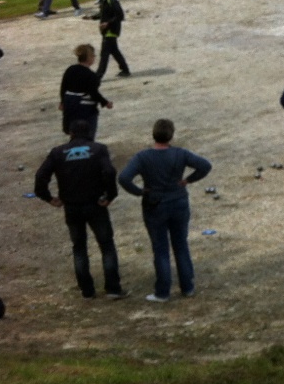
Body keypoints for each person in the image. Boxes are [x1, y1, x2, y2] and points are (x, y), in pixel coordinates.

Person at [119, 119, 212, 303]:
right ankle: (188, 287)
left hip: (155, 204)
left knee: (160, 248)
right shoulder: (180, 153)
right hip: (178, 201)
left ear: (153, 134)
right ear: (171, 135)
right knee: (181, 245)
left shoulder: (143, 157)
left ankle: (163, 291)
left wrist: (139, 192)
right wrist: (189, 180)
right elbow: (205, 165)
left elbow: (124, 178)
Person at [34, 119, 126, 300]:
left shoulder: (58, 152)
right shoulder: (99, 149)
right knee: (106, 245)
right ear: (90, 132)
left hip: (72, 207)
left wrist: (48, 198)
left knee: (79, 247)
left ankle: (87, 290)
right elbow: (109, 172)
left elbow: (40, 176)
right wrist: (110, 195)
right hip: (96, 204)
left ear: (71, 133)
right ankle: (113, 289)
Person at [60, 44, 112, 140]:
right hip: (84, 108)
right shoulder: (91, 75)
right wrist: (105, 102)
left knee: (73, 131)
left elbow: (63, 87)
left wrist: (62, 102)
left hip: (69, 103)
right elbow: (93, 93)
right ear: (89, 58)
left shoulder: (70, 70)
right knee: (88, 133)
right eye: (93, 56)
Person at [93, 0, 130, 81]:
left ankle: (98, 76)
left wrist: (108, 23)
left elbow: (120, 15)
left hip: (111, 31)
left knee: (104, 54)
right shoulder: (105, 1)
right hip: (108, 31)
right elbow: (103, 14)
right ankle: (125, 70)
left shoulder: (112, 1)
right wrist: (91, 17)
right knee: (115, 51)